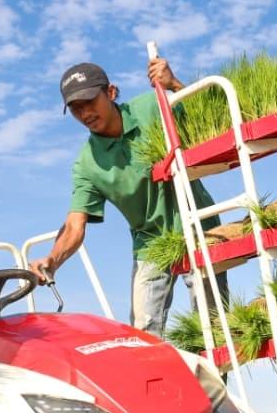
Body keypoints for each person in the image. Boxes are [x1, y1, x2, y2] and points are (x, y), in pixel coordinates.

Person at [29, 58, 225, 338]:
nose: (84, 113)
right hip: (150, 244)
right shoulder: (87, 163)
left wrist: (174, 84)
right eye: (75, 108)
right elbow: (75, 224)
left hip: (198, 226)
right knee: (144, 331)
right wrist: (52, 260)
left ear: (110, 92)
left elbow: (211, 116)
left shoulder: (152, 107)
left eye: (89, 101)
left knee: (213, 325)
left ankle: (217, 381)